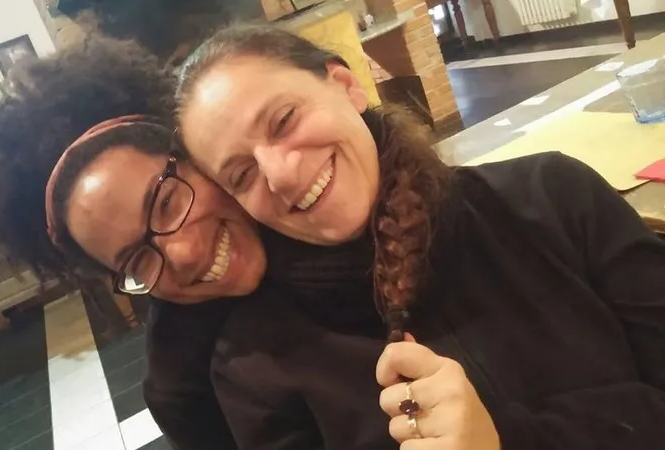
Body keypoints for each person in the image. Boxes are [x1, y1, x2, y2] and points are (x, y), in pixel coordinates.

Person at [174, 25, 665, 449]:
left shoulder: (553, 197)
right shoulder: (256, 365)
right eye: (242, 175)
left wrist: (506, 439)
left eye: (283, 121)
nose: (279, 175)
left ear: (346, 86)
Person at [0, 35, 267, 448]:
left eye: (166, 202)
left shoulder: (313, 201)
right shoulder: (186, 387)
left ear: (194, 155)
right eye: (138, 259)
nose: (183, 254)